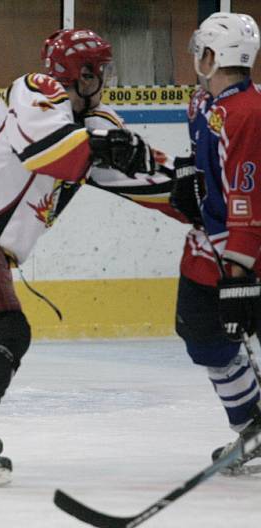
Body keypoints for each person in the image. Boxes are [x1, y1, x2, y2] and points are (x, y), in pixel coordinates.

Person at [0, 28, 185, 486]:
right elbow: (46, 151)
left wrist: (199, 195)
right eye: (101, 70)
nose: (106, 79)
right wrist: (108, 147)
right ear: (82, 74)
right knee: (3, 328)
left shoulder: (93, 124)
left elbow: (139, 180)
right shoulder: (37, 91)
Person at [170, 12, 261, 474]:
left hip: (244, 248)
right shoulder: (202, 103)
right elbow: (204, 155)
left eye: (199, 53)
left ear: (213, 56)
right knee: (200, 331)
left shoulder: (249, 114)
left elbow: (246, 194)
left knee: (236, 321)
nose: (195, 62)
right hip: (208, 242)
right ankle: (252, 426)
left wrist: (239, 271)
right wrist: (188, 169)